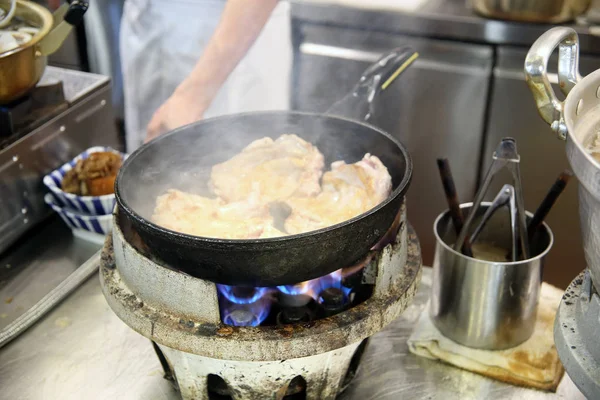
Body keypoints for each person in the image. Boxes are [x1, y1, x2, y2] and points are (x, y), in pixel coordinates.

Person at [119, 0, 292, 151]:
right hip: (145, 23)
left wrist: (192, 98)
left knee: (235, 166)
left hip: (228, 33)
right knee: (146, 174)